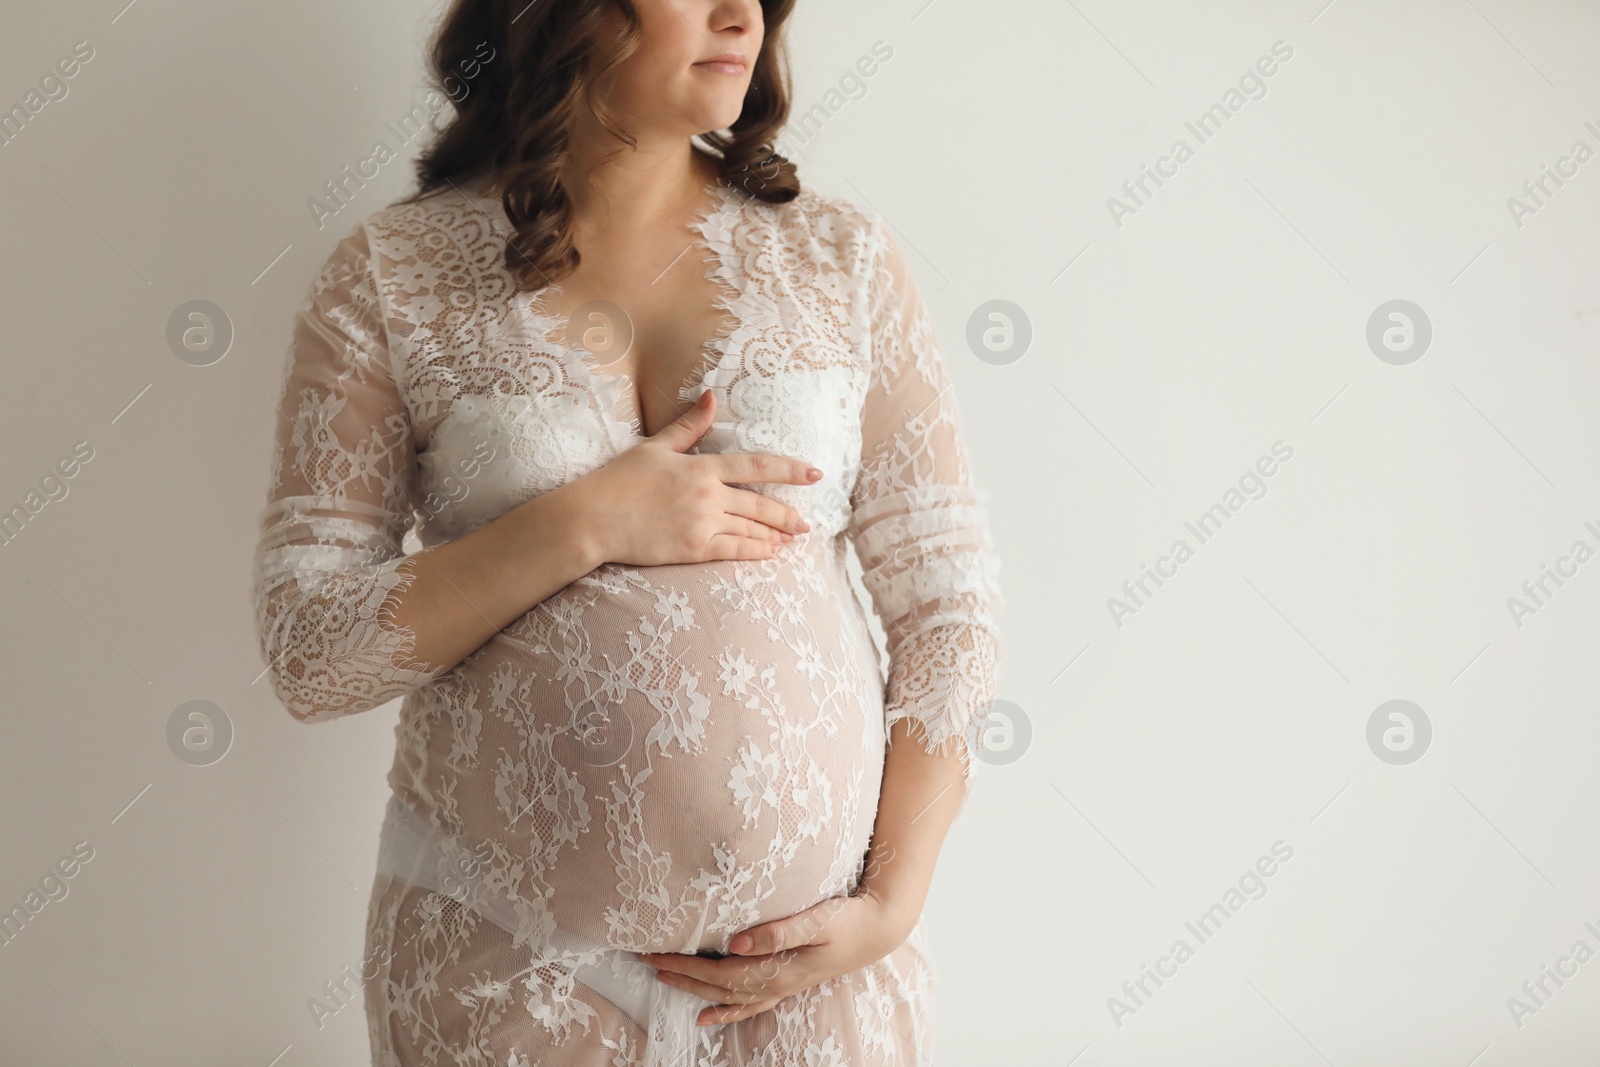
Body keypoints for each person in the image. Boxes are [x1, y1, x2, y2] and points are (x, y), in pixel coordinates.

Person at [250, 1, 1005, 1063]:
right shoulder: (393, 277)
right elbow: (310, 652)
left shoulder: (840, 259)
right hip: (502, 961)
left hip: (818, 979)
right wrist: (583, 520)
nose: (741, 13)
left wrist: (892, 898)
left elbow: (948, 603)